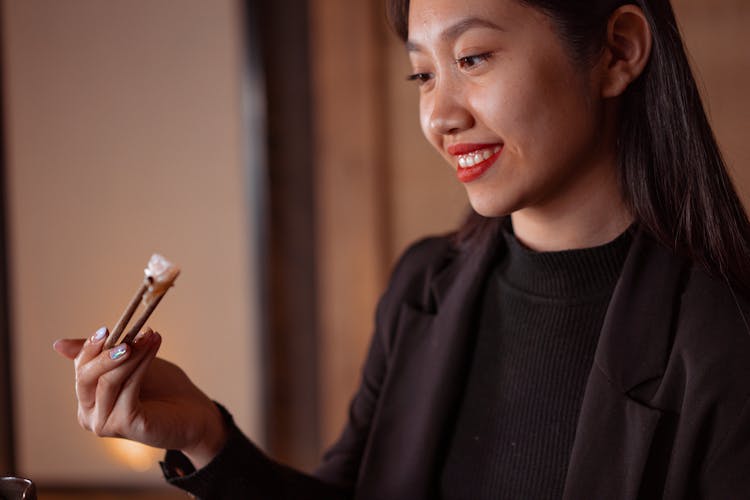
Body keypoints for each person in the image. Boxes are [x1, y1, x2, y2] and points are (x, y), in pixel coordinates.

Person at [54, 0, 750, 498]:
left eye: (472, 58)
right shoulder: (425, 285)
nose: (440, 116)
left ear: (618, 50)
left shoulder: (722, 336)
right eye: (423, 74)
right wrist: (206, 438)